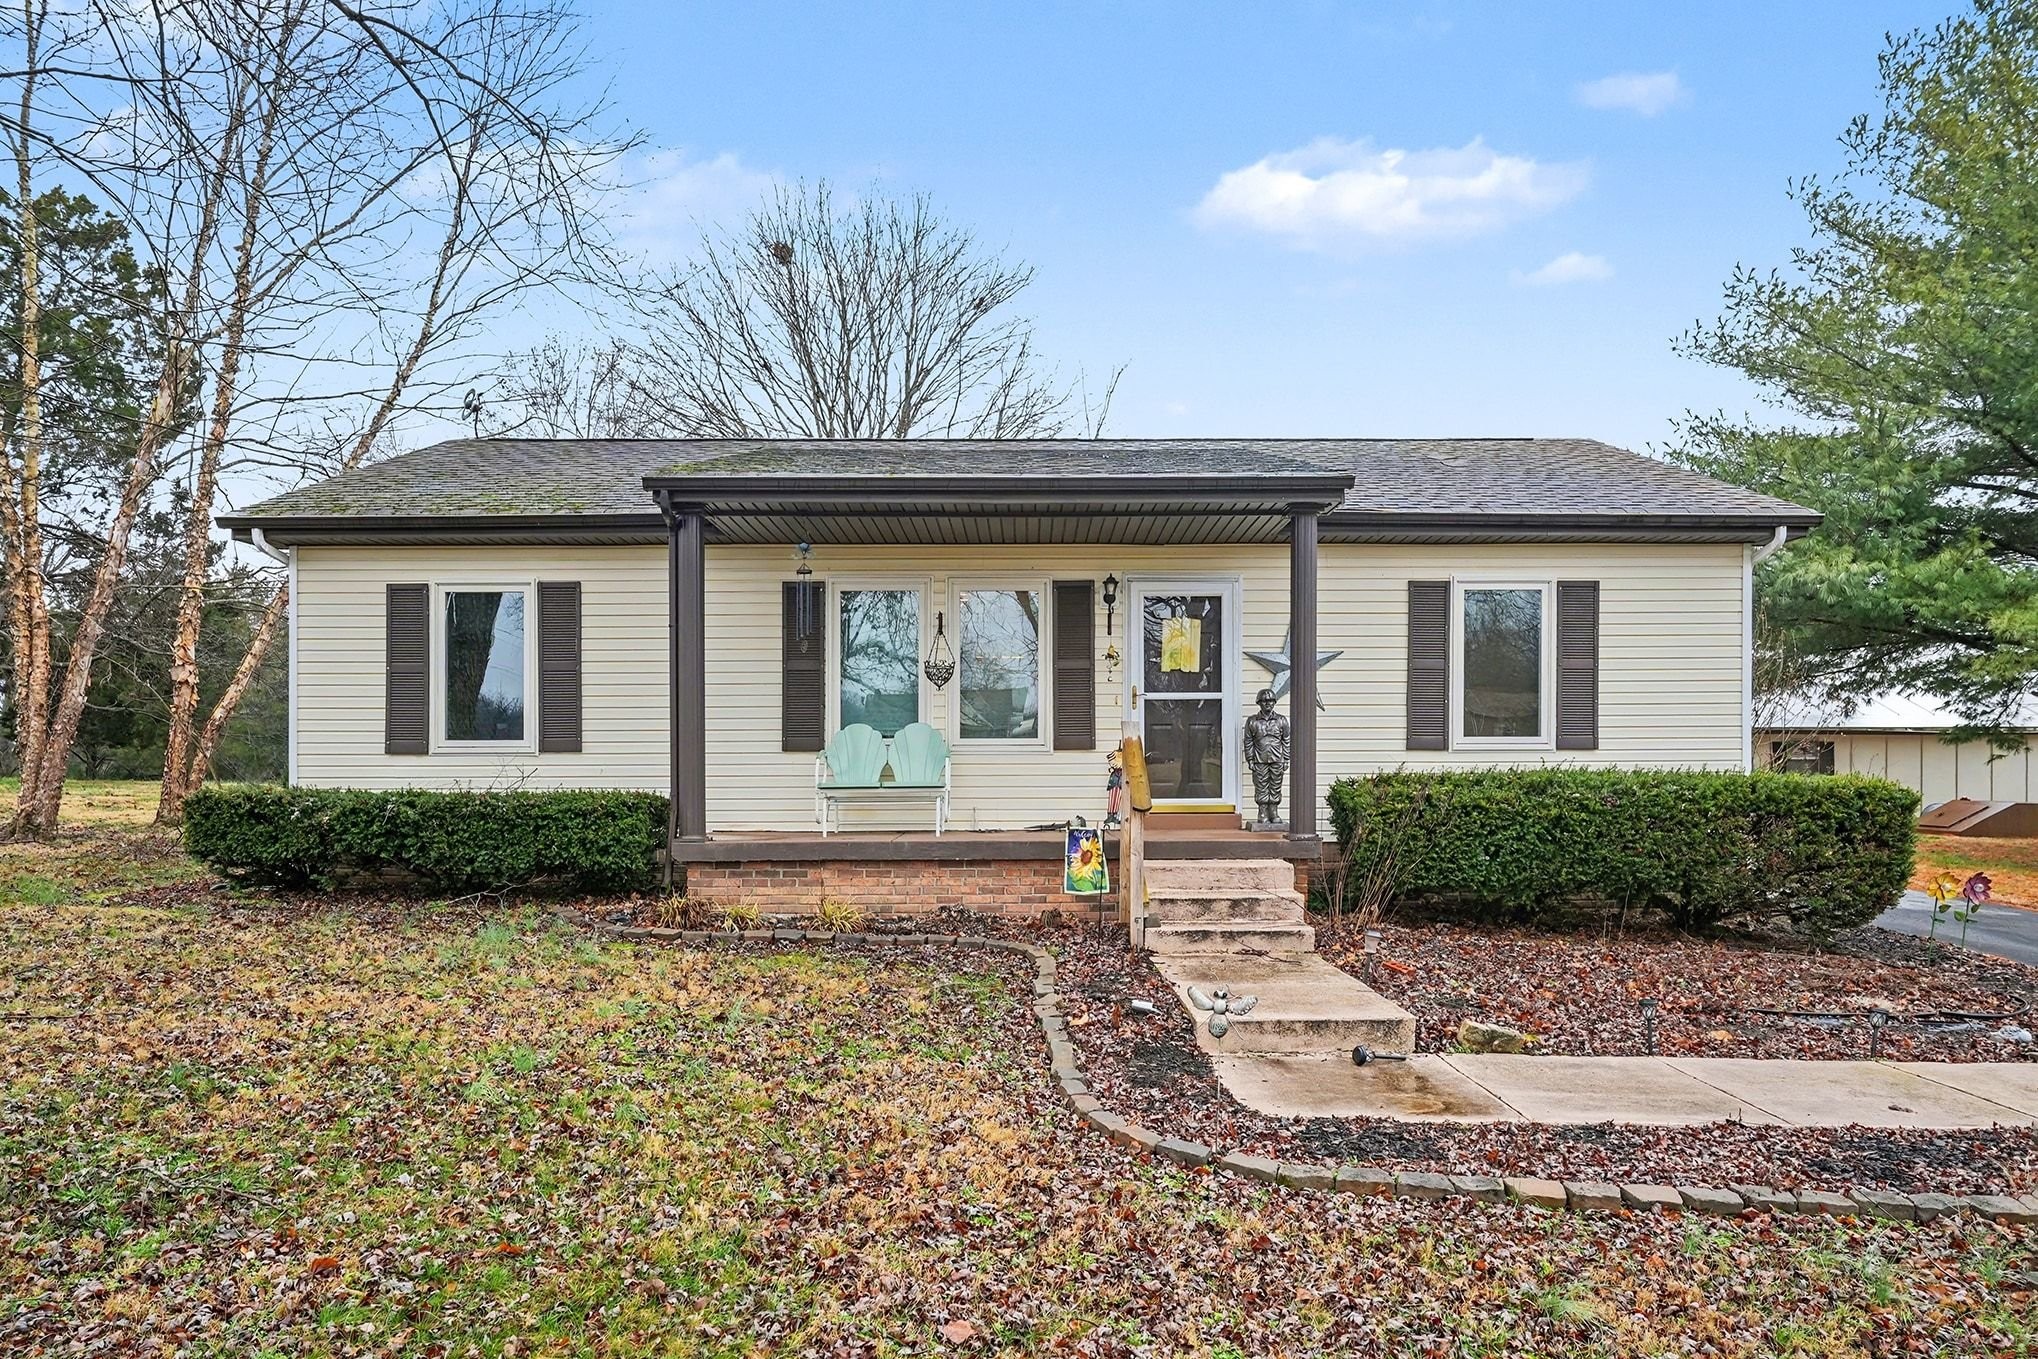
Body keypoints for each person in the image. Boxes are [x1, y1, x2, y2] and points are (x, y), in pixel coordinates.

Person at [1242, 687, 1289, 828]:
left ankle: (1274, 812)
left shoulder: (1282, 720)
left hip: (1277, 759)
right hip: (1259, 759)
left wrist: (1286, 759)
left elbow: (1286, 740)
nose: (1268, 704)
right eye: (1264, 701)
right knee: (1261, 785)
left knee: (1275, 785)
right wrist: (1250, 759)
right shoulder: (1252, 721)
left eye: (1270, 701)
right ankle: (1262, 812)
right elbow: (1248, 742)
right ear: (1259, 703)